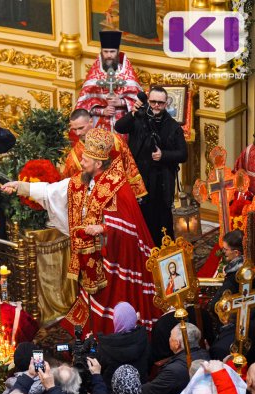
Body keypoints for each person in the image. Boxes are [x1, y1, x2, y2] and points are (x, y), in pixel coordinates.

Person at [1, 128, 159, 335]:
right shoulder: (83, 179)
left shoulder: (117, 186)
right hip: (91, 256)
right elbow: (53, 191)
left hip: (113, 259)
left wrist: (102, 228)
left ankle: (111, 332)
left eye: (86, 159)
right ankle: (91, 329)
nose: (81, 162)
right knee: (91, 295)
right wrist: (21, 187)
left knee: (110, 298)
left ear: (98, 163)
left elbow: (128, 228)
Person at [115, 85, 188, 246]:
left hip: (162, 182)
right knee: (139, 218)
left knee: (161, 220)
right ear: (148, 101)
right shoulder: (138, 118)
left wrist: (164, 155)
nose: (156, 105)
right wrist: (132, 113)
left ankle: (163, 252)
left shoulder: (173, 126)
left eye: (160, 103)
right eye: (153, 101)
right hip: (138, 179)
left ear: (166, 104)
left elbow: (183, 155)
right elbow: (118, 127)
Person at [62, 109, 146, 199]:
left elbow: (129, 167)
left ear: (91, 121)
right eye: (74, 129)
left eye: (81, 128)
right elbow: (70, 187)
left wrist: (136, 194)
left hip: (121, 197)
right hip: (94, 203)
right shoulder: (73, 157)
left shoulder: (115, 141)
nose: (78, 133)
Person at [75, 31, 142, 136]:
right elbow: (82, 108)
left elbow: (140, 104)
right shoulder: (94, 76)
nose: (109, 55)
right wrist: (102, 111)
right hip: (99, 128)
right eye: (105, 52)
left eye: (112, 51)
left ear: (118, 52)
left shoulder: (128, 75)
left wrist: (121, 102)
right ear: (101, 52)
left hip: (124, 129)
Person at [141, 322, 210, 394]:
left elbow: (148, 393)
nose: (169, 339)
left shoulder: (173, 371)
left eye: (170, 336)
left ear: (177, 344)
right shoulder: (205, 354)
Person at [97, 302, 149, 391]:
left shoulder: (105, 345)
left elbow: (99, 370)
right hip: (140, 391)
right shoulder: (143, 337)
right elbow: (149, 362)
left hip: (112, 393)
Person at [210, 229, 244, 310]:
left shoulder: (234, 277)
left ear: (236, 253)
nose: (223, 252)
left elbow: (215, 305)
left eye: (225, 249)